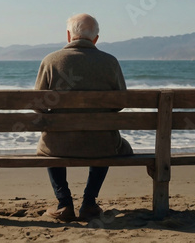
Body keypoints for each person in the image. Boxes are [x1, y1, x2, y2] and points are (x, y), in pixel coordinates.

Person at [34, 13, 133, 222]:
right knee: (111, 141)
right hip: (101, 144)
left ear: (69, 36)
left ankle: (64, 204)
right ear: (95, 39)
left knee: (47, 143)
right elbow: (121, 103)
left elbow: (39, 106)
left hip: (58, 146)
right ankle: (89, 202)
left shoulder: (51, 61)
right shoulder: (110, 62)